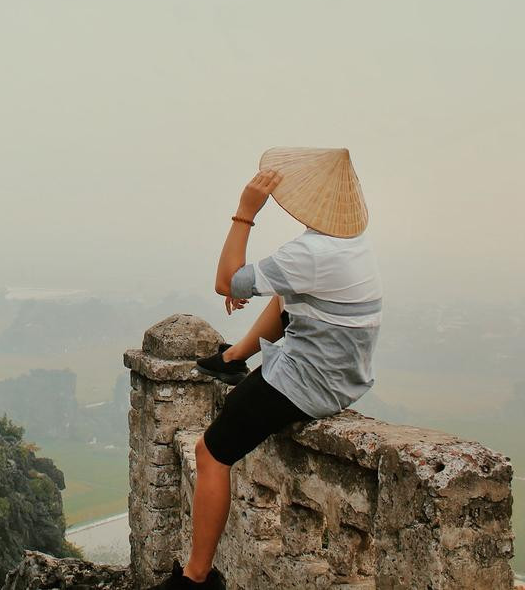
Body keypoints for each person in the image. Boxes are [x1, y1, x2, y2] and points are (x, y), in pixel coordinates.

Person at [148, 147, 382, 590]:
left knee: (211, 452)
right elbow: (275, 284)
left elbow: (225, 279)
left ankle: (196, 578)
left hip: (310, 381)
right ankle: (234, 357)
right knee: (281, 291)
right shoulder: (351, 244)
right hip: (347, 372)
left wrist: (244, 213)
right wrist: (251, 283)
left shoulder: (311, 253)